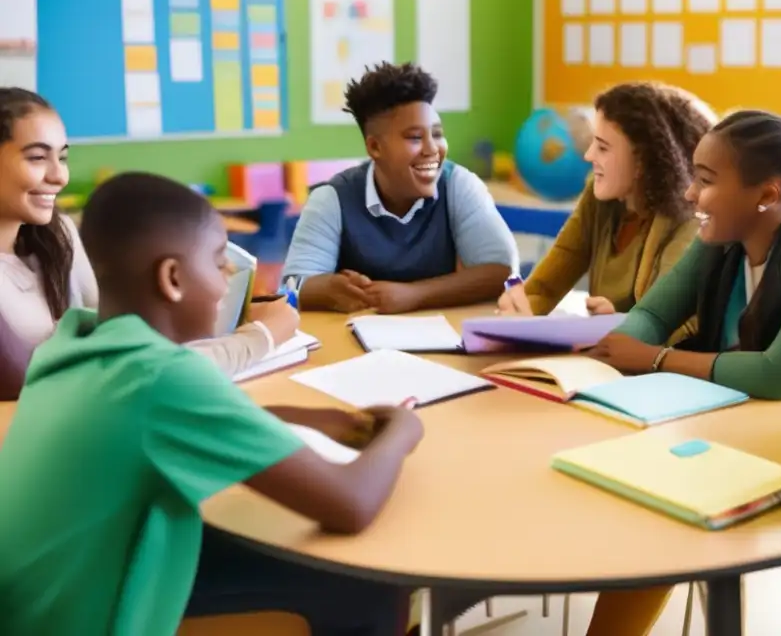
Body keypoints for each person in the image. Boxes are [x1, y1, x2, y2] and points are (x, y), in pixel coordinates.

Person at [0, 172, 422, 635]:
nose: (227, 281)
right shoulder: (161, 377)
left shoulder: (74, 342)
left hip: (34, 606)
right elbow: (351, 503)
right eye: (219, 262)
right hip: (85, 621)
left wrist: (305, 420)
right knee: (367, 584)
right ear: (173, 278)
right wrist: (403, 429)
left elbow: (153, 424)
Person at [576, 110, 781, 636]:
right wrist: (626, 343)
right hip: (753, 423)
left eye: (705, 181)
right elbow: (652, 317)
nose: (690, 196)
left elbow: (779, 375)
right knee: (656, 505)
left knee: (671, 511)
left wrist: (651, 357)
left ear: (765, 195)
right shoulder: (718, 240)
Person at [0, 87, 297, 400]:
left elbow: (124, 347)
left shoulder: (56, 233)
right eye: (37, 157)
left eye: (61, 157)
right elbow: (119, 375)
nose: (59, 176)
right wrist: (260, 337)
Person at [283, 62, 517, 314]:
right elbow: (290, 288)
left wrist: (415, 295)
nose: (432, 149)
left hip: (439, 341)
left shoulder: (460, 185)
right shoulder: (331, 198)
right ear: (375, 147)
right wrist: (326, 289)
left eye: (437, 134)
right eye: (415, 137)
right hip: (353, 342)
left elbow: (502, 272)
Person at [497, 82, 712, 318]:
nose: (589, 155)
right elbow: (546, 286)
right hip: (604, 350)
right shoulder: (600, 199)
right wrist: (520, 308)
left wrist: (620, 323)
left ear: (643, 160)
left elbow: (675, 324)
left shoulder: (687, 221)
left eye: (603, 147)